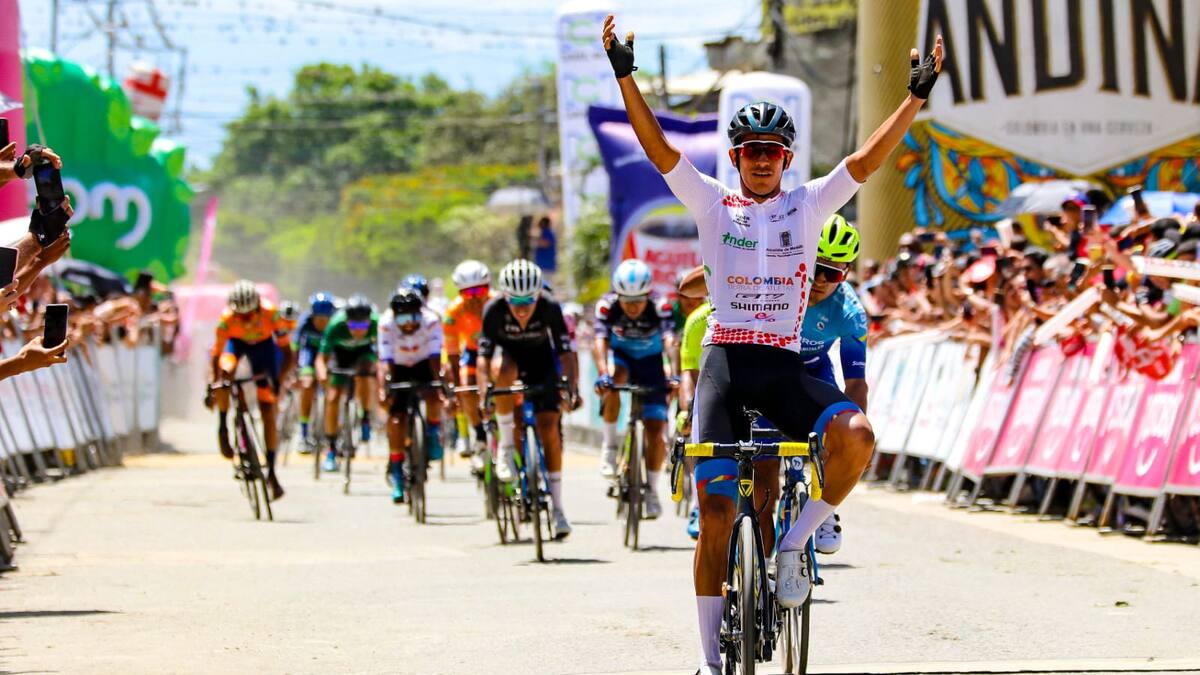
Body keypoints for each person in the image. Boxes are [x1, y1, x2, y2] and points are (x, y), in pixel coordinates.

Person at [603, 14, 942, 673]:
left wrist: (915, 97)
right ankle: (709, 659)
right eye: (751, 150)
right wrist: (625, 76)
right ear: (735, 158)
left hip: (783, 368)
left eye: (773, 151)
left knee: (857, 437)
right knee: (716, 512)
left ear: (787, 158)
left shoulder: (810, 204)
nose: (762, 159)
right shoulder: (710, 203)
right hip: (725, 368)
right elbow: (657, 147)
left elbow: (866, 161)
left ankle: (792, 545)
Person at [476, 259, 579, 537]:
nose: (522, 309)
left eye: (528, 301)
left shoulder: (550, 306)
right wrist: (484, 391)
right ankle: (506, 448)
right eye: (515, 302)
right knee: (504, 370)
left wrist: (570, 386)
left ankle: (558, 508)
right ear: (504, 297)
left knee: (549, 429)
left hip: (541, 364)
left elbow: (566, 353)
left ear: (538, 296)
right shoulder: (493, 310)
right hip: (508, 361)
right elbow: (483, 359)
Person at [796, 214, 871, 555]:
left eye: (834, 273)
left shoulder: (850, 311)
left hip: (814, 370)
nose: (822, 280)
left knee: (840, 431)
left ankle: (825, 502)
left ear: (847, 273)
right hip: (770, 367)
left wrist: (854, 441)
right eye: (816, 267)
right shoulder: (778, 283)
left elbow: (856, 384)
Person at [593, 258, 676, 519]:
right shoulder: (607, 306)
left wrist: (673, 371)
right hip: (622, 360)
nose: (632, 307)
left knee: (655, 430)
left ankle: (651, 490)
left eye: (638, 301)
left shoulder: (660, 306)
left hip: (651, 364)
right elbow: (599, 341)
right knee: (614, 380)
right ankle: (609, 447)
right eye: (626, 301)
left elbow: (670, 341)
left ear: (647, 295)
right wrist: (602, 373)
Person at [208, 280, 294, 500]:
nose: (245, 319)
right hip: (236, 345)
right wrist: (213, 386)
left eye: (249, 314)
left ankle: (272, 471)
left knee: (267, 409)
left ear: (257, 307)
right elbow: (216, 356)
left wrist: (279, 380)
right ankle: (223, 426)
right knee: (225, 373)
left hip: (264, 350)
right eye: (241, 315)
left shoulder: (271, 314)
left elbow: (287, 353)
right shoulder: (227, 320)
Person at [378, 287, 444, 503]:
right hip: (398, 367)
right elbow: (385, 363)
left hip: (424, 362)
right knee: (396, 418)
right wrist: (384, 389)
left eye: (413, 317)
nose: (408, 324)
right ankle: (397, 472)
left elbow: (435, 357)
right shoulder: (385, 324)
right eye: (402, 318)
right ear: (394, 316)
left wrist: (439, 385)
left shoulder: (431, 321)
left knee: (434, 394)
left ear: (420, 314)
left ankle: (432, 433)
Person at [315, 294, 379, 473]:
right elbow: (321, 359)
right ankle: (331, 448)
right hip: (340, 356)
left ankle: (365, 416)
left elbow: (384, 353)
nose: (358, 331)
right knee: (332, 397)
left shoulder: (376, 323)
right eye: (353, 326)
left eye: (362, 326)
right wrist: (322, 374)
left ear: (369, 322)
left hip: (364, 354)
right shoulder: (336, 325)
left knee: (364, 375)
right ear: (346, 322)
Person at [442, 260, 494, 466]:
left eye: (479, 290)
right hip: (472, 352)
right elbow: (453, 355)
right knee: (466, 385)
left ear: (488, 287)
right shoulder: (452, 313)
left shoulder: (498, 303)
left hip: (497, 351)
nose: (474, 297)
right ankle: (479, 433)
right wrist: (457, 391)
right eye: (467, 293)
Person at [293, 292, 336, 448]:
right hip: (309, 353)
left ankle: (335, 429)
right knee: (307, 384)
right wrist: (296, 370)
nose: (321, 323)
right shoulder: (304, 321)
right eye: (318, 319)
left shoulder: (336, 323)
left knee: (334, 387)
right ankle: (304, 431)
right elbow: (296, 347)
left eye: (325, 319)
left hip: (329, 354)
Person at [533, 216, 557, 283]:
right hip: (544, 266)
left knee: (545, 286)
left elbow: (546, 243)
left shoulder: (547, 232)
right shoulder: (544, 232)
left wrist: (535, 240)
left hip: (546, 266)